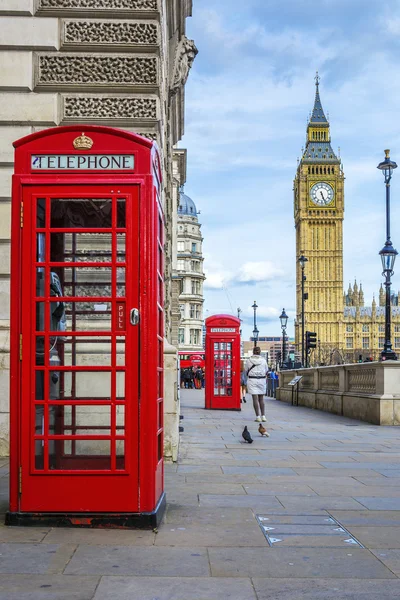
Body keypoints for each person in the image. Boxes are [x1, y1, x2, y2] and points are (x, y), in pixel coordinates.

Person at [245, 347, 268, 424]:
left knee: (255, 399)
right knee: (261, 399)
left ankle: (258, 417)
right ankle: (263, 416)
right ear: (260, 352)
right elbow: (266, 370)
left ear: (253, 352)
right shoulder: (264, 361)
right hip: (261, 380)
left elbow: (246, 370)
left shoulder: (248, 361)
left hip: (252, 380)